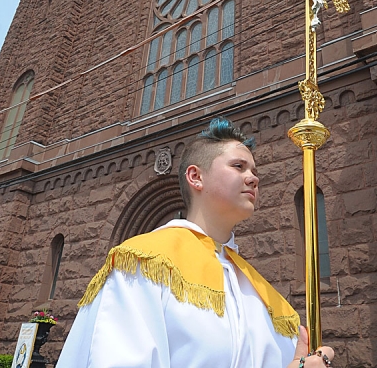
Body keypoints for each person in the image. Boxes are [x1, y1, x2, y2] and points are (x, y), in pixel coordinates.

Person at [56, 117, 335, 368]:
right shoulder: (142, 265)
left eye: (254, 170)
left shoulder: (260, 293)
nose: (253, 177)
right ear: (196, 177)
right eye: (238, 166)